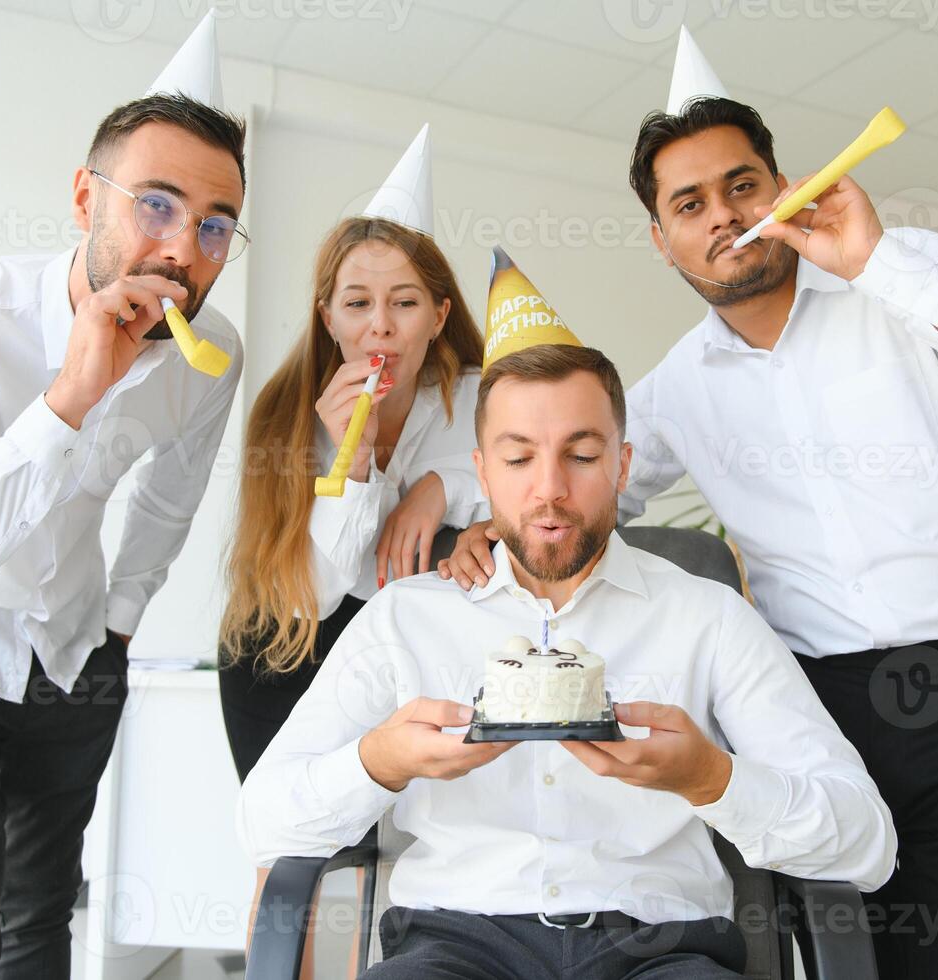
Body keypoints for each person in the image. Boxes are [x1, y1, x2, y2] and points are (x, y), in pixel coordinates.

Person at [440, 30, 938, 980]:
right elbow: (578, 497)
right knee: (842, 964)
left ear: (784, 186)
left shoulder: (898, 278)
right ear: (661, 238)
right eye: (690, 203)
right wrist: (482, 528)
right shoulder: (676, 390)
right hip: (817, 718)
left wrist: (877, 260)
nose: (724, 215)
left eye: (742, 184)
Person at [238, 258, 896, 980]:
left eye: (581, 456)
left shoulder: (708, 619)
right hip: (454, 948)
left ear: (621, 466)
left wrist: (713, 779)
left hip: (661, 950)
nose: (549, 491)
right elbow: (261, 823)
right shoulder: (407, 619)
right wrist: (378, 763)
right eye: (519, 459)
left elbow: (865, 844)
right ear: (481, 474)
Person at [0, 18, 248, 976]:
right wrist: (70, 397)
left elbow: (169, 498)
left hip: (72, 657)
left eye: (215, 223)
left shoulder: (211, 354)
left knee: (38, 920)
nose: (183, 248)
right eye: (156, 204)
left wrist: (119, 624)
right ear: (84, 199)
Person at [219, 126, 484, 783]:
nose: (381, 327)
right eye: (358, 304)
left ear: (438, 314)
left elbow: (545, 494)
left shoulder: (486, 402)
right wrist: (354, 463)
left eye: (405, 303)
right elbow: (312, 594)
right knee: (287, 841)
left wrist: (442, 490)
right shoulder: (287, 423)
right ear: (329, 318)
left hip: (428, 650)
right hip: (295, 646)